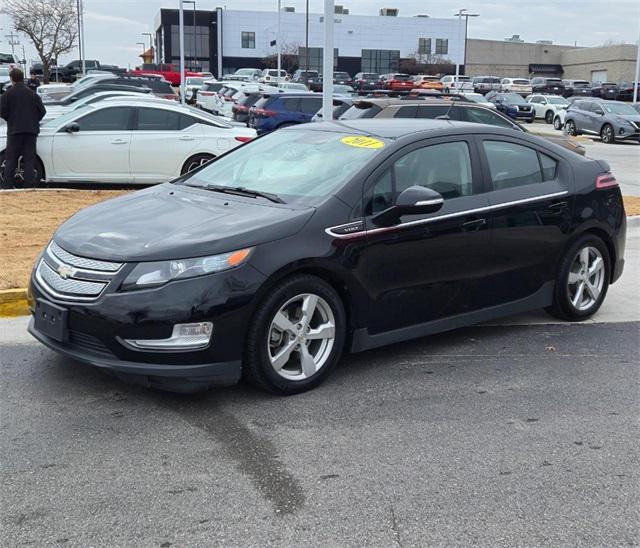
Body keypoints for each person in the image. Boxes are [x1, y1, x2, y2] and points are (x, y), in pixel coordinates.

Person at [0, 68, 46, 189]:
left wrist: (10, 119)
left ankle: (8, 185)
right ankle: (29, 185)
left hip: (14, 131)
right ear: (22, 78)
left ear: (11, 79)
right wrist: (34, 120)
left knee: (11, 159)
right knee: (29, 159)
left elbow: (2, 112)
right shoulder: (32, 93)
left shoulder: (7, 94)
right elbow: (42, 111)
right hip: (31, 131)